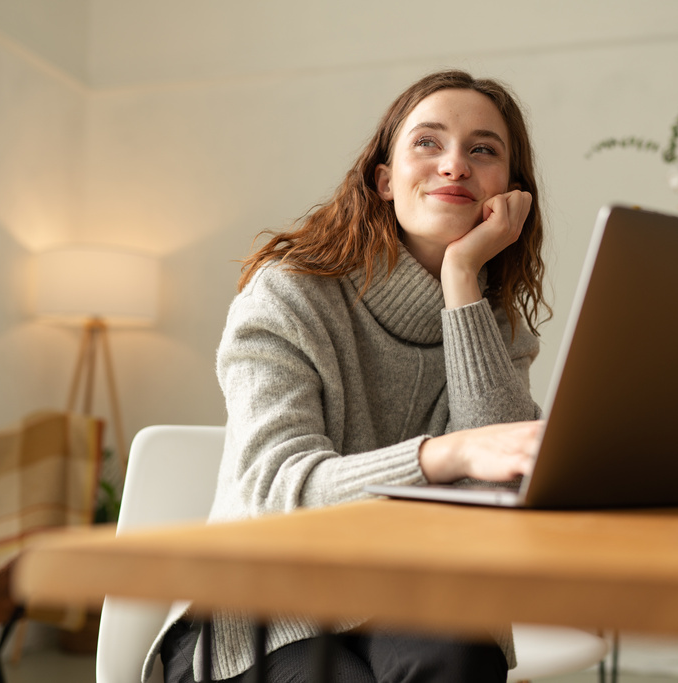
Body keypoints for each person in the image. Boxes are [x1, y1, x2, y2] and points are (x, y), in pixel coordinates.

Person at [147, 69, 550, 683]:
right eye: (428, 142)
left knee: (459, 653)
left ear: (510, 193)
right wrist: (447, 454)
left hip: (411, 601)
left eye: (483, 150)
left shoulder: (496, 330)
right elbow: (276, 495)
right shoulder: (289, 296)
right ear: (385, 181)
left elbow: (500, 501)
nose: (454, 165)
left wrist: (463, 280)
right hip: (258, 619)